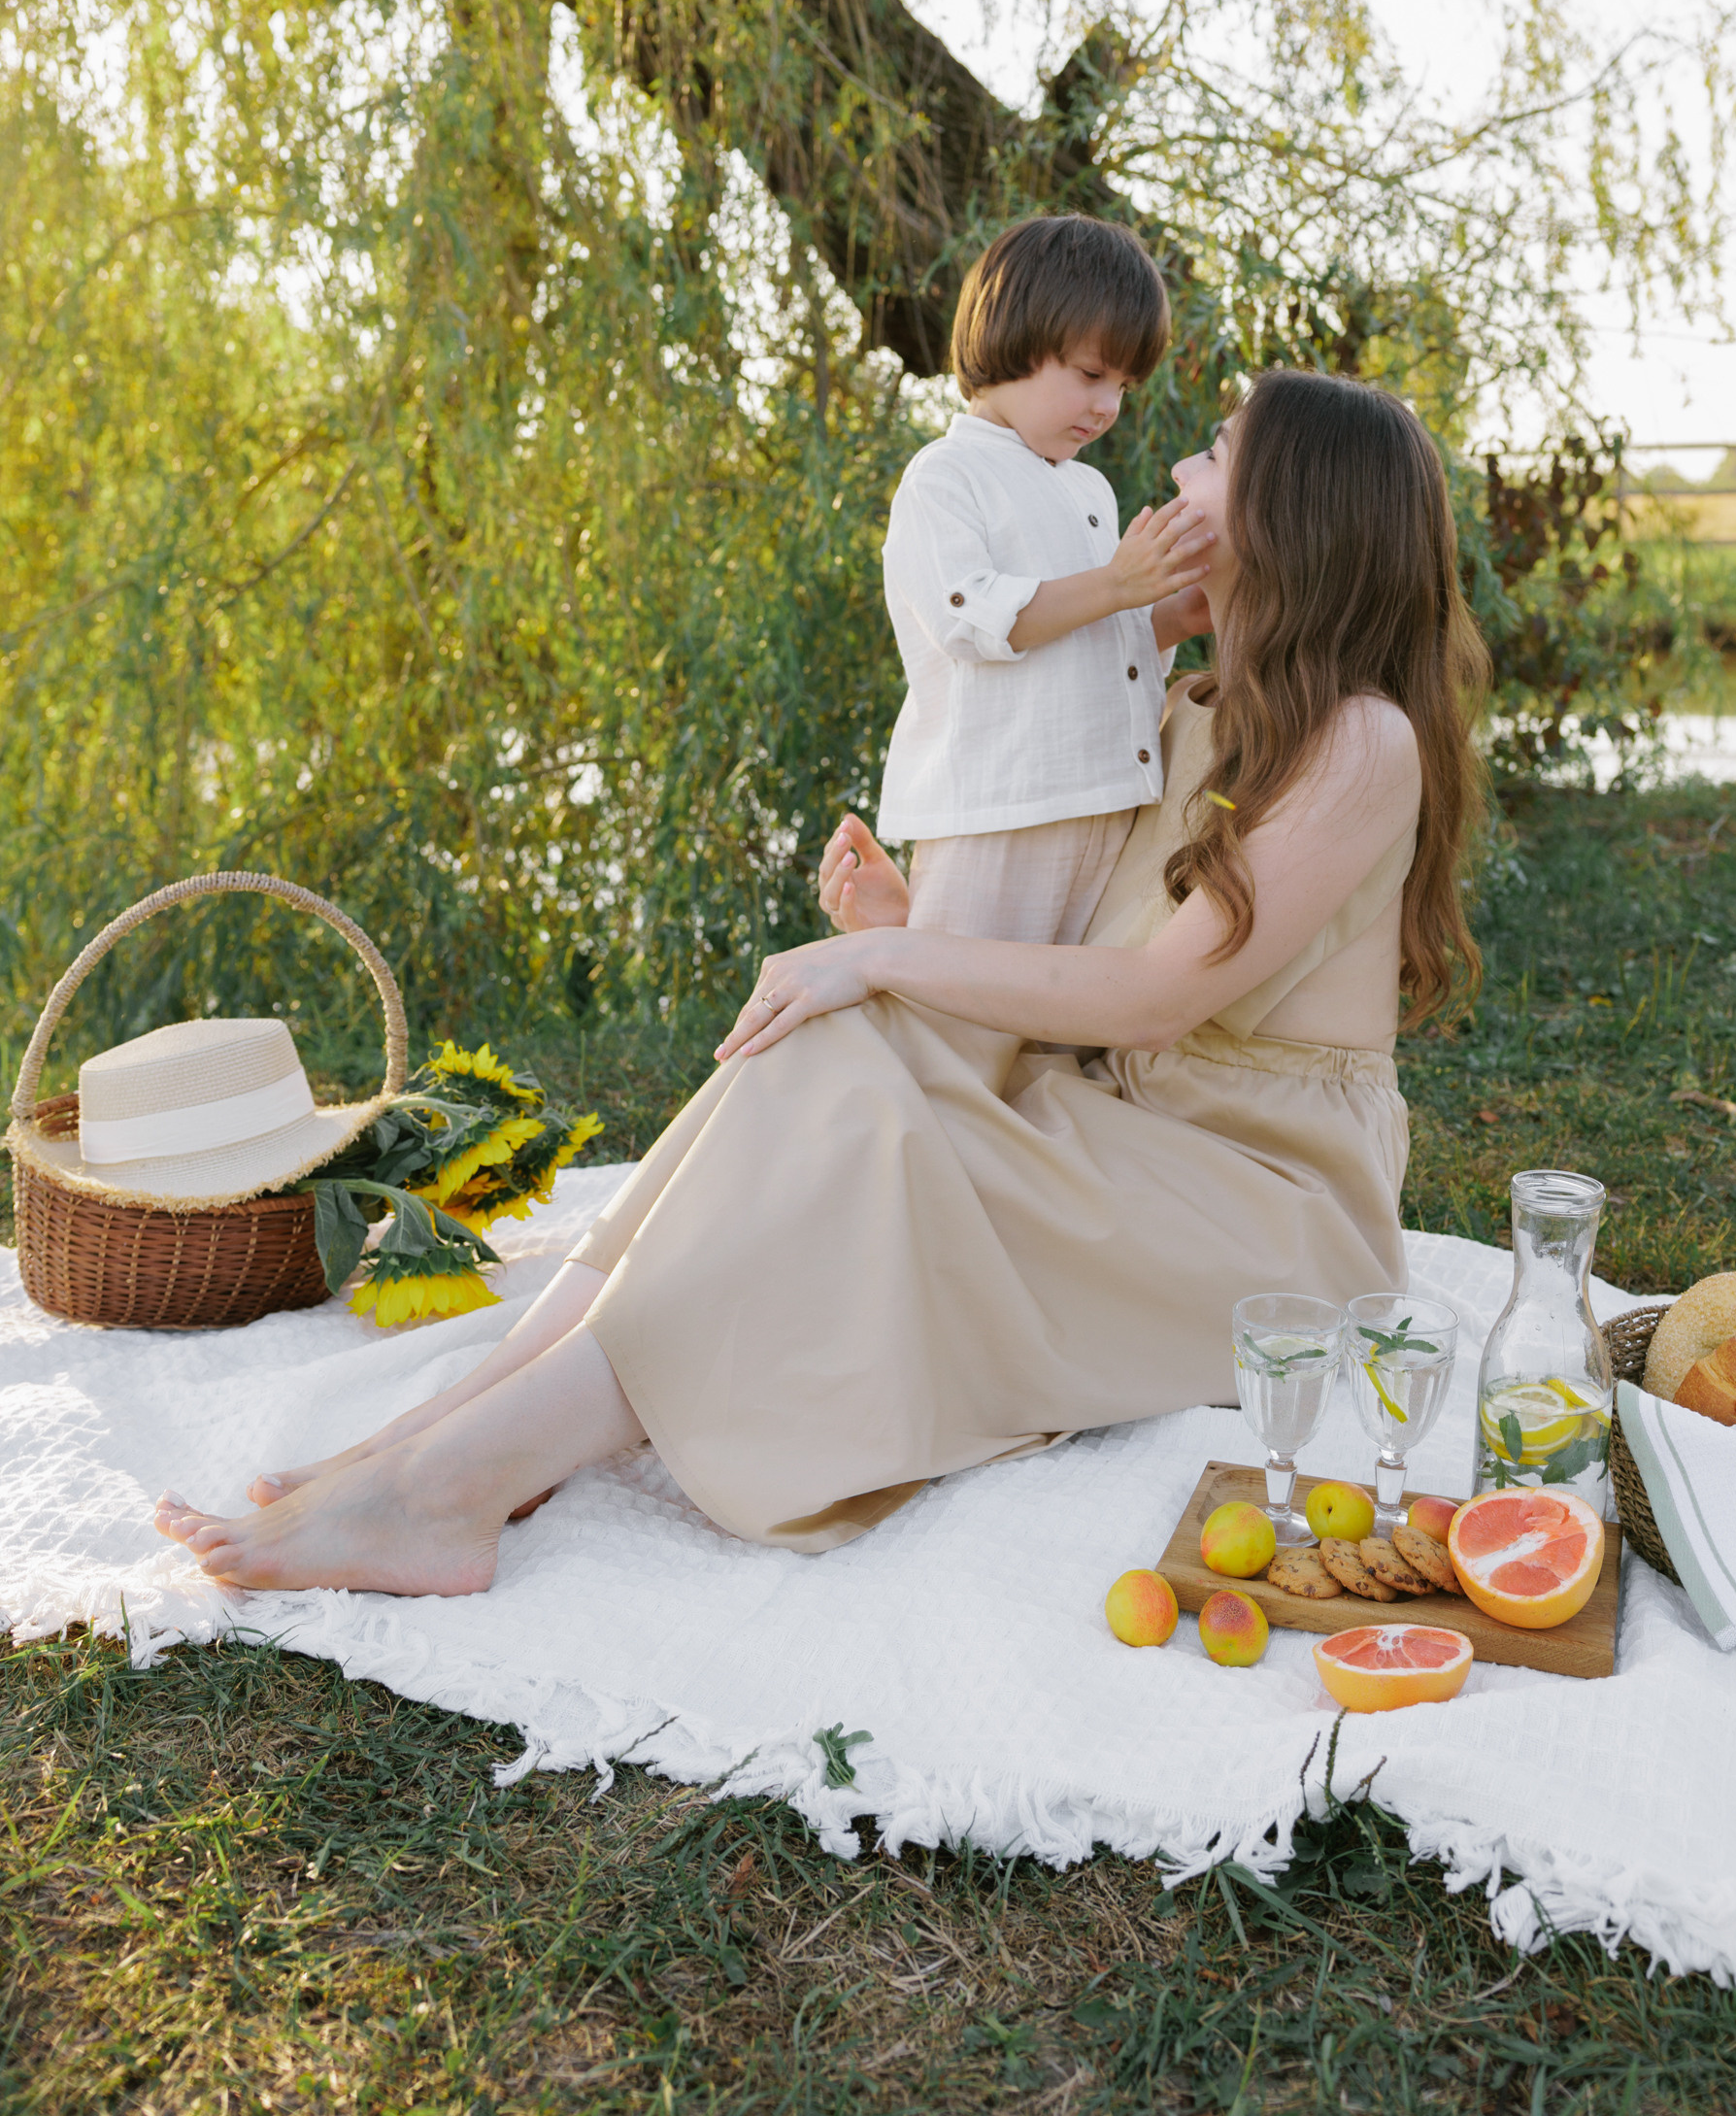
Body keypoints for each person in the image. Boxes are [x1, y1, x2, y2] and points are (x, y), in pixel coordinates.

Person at [155, 371, 1488, 1596]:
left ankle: (449, 1479)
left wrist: (878, 954)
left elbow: (1148, 997)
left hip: (1261, 1218)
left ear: (1286, 516)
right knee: (823, 1055)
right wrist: (902, 922)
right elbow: (1085, 956)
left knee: (854, 1085)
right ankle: (460, 1432)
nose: (1172, 479)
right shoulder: (1195, 707)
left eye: (1212, 456)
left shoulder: (1360, 745)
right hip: (1125, 1135)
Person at [841, 211, 1217, 949]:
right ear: (1014, 339)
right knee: (957, 1009)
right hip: (999, 808)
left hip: (1102, 799)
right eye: (1089, 375)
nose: (1107, 406)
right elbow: (975, 625)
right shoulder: (947, 475)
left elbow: (1096, 641)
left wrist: (1168, 613)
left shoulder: (1088, 490)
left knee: (1056, 1022)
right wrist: (1117, 584)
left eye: (1125, 386)